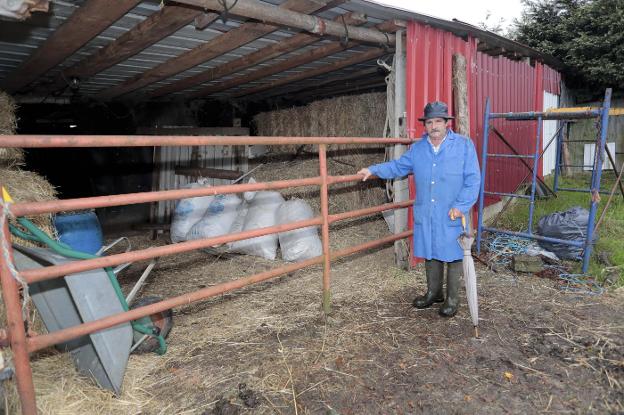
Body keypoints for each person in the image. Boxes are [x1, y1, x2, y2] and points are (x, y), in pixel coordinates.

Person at [357, 101, 480, 317]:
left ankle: (452, 299)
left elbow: (473, 180)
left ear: (446, 124)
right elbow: (397, 166)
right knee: (431, 250)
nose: (434, 126)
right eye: (430, 122)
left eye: (438, 122)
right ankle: (434, 293)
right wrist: (373, 170)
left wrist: (461, 206)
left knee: (452, 254)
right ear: (425, 125)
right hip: (427, 211)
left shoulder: (464, 145)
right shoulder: (418, 149)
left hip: (453, 212)